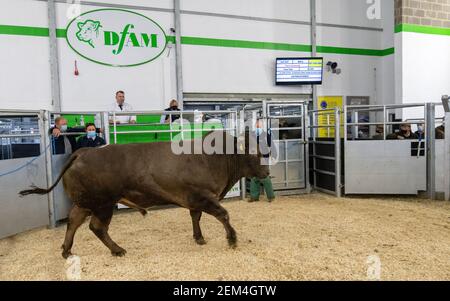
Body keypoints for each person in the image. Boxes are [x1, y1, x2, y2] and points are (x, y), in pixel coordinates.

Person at [249, 119, 276, 203]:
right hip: (254, 159)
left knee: (265, 177)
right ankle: (254, 197)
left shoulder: (266, 135)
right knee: (254, 177)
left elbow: (272, 145)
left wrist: (274, 155)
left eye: (259, 126)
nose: (258, 127)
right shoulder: (251, 135)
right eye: (257, 126)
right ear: (254, 126)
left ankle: (271, 196)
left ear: (262, 126)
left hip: (264, 157)